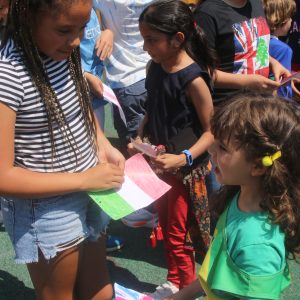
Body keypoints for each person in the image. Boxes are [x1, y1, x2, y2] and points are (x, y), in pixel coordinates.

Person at [0, 1, 125, 299]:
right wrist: (84, 180)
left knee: (101, 292)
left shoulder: (60, 53)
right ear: (28, 18)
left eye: (82, 28)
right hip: (47, 209)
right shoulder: (9, 77)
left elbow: (78, 105)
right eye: (64, 30)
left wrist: (102, 143)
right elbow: (4, 176)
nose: (77, 40)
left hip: (90, 187)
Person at [167, 92, 300, 300]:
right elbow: (213, 270)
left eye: (222, 147)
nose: (210, 149)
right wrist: (180, 296)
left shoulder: (258, 246)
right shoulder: (239, 197)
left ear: (257, 166)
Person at [137, 0, 215, 298]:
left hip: (185, 172)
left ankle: (182, 285)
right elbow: (154, 105)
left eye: (152, 40)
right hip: (159, 166)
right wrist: (143, 130)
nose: (146, 47)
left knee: (179, 232)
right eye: (144, 39)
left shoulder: (194, 79)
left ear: (178, 39)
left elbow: (212, 131)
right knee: (165, 225)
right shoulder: (154, 67)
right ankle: (175, 279)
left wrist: (184, 157)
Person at [80, 7, 125, 253]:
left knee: (99, 158)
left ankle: (97, 231)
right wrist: (85, 75)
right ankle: (90, 233)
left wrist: (107, 31)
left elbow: (101, 24)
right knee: (87, 165)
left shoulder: (94, 5)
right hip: (80, 91)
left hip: (95, 96)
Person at [194, 0, 286, 106]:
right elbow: (201, 71)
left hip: (260, 103)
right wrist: (248, 82)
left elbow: (253, 47)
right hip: (228, 108)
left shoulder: (256, 3)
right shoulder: (207, 13)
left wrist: (273, 62)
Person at [93, 0, 153, 155]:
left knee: (134, 153)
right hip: (152, 74)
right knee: (154, 147)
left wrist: (106, 31)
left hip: (126, 81)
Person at [263, 0, 296, 100]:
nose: (291, 21)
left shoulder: (258, 42)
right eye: (289, 17)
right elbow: (281, 86)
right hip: (277, 105)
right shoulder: (283, 49)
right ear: (281, 20)